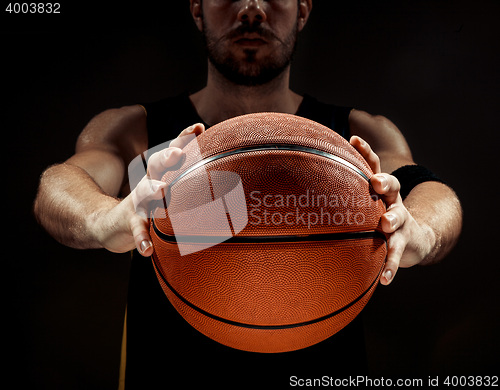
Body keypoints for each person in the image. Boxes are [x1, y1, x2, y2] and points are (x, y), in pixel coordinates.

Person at [34, 0, 462, 388]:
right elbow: (59, 185)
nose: (252, 9)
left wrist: (419, 230)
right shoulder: (140, 134)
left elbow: (432, 192)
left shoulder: (353, 138)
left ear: (303, 10)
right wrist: (108, 218)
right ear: (198, 9)